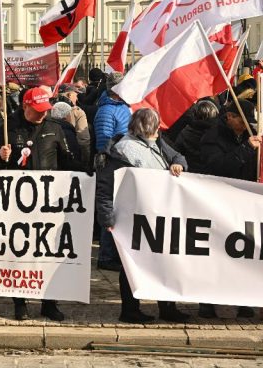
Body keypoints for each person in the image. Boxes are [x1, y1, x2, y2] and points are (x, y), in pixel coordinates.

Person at [0, 86, 82, 322]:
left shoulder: (55, 128)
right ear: (25, 106)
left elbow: (69, 164)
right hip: (18, 203)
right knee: (19, 252)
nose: (43, 114)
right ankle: (20, 302)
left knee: (48, 253)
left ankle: (49, 302)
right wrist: (1, 158)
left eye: (45, 109)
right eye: (38, 110)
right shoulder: (8, 129)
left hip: (49, 203)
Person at [95, 108, 190, 323]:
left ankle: (167, 307)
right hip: (133, 218)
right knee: (132, 263)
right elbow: (106, 187)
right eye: (156, 126)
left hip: (159, 215)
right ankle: (129, 310)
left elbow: (178, 156)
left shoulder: (157, 142)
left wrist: (178, 164)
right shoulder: (123, 151)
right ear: (147, 128)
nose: (159, 130)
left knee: (164, 261)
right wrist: (108, 219)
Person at [197, 99, 260, 319]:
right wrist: (245, 149)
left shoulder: (248, 134)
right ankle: (207, 301)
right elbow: (218, 167)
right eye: (242, 121)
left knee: (240, 253)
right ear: (230, 117)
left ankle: (239, 297)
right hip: (217, 203)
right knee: (214, 253)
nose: (246, 126)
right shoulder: (211, 138)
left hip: (243, 204)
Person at [93, 72, 131, 272]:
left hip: (125, 162)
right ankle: (106, 256)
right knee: (111, 210)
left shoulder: (123, 107)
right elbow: (104, 141)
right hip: (113, 164)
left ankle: (115, 252)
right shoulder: (107, 111)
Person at [173, 100, 218, 174]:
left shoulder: (185, 132)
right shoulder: (217, 133)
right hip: (212, 175)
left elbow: (177, 151)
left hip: (191, 172)